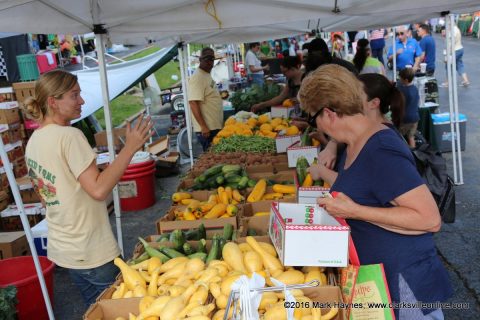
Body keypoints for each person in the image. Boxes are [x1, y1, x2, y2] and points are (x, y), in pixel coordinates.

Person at [299, 64, 452, 320]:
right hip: (380, 283)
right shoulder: (353, 143)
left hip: (405, 288)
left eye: (313, 118)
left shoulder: (380, 149)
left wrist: (354, 211)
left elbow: (429, 219)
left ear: (328, 113)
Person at [22, 70, 152, 306]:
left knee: (97, 309)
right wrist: (130, 148)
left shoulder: (34, 141)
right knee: (123, 308)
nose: (81, 101)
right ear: (53, 101)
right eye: (74, 95)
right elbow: (99, 190)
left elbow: (47, 196)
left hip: (66, 251)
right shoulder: (70, 136)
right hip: (93, 251)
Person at [316, 73, 405, 170]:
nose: (348, 100)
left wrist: (321, 172)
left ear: (374, 103)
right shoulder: (367, 128)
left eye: (355, 96)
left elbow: (356, 181)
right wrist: (331, 145)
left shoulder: (383, 143)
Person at [188, 47, 224, 151]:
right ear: (200, 59)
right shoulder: (198, 77)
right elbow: (193, 103)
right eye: (207, 59)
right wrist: (203, 126)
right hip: (207, 129)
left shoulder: (206, 75)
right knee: (212, 158)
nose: (210, 62)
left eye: (212, 59)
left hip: (213, 126)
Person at [397, 68, 420, 148]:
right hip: (415, 118)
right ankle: (413, 154)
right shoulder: (415, 88)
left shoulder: (402, 90)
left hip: (406, 119)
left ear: (406, 80)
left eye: (401, 78)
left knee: (399, 137)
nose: (400, 80)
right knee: (411, 137)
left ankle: (403, 153)